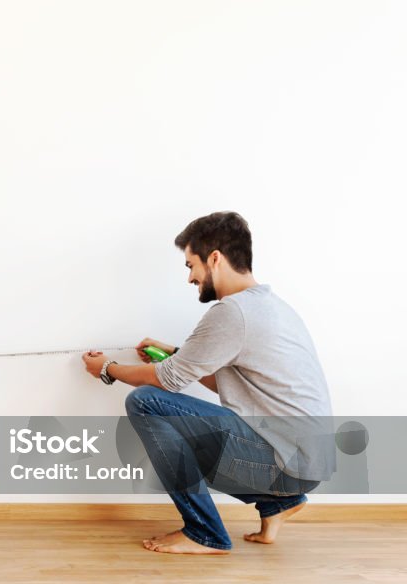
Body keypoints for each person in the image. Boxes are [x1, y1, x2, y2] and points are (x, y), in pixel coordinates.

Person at [82, 211, 333, 555]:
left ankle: (204, 532)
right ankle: (277, 506)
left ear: (214, 258)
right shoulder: (268, 306)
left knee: (146, 402)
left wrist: (108, 368)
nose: (190, 278)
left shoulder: (233, 312)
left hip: (285, 462)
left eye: (190, 265)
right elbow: (228, 384)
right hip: (304, 463)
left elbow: (167, 380)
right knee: (180, 422)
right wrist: (172, 352)